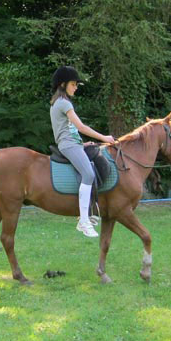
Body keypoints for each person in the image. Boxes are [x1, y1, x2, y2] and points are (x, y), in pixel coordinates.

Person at [50, 66, 115, 237]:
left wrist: (83, 144)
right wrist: (104, 138)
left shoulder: (59, 103)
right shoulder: (64, 103)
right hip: (68, 146)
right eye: (73, 84)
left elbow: (70, 130)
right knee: (88, 174)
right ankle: (84, 220)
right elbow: (80, 126)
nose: (76, 87)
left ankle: (89, 215)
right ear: (63, 84)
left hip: (73, 144)